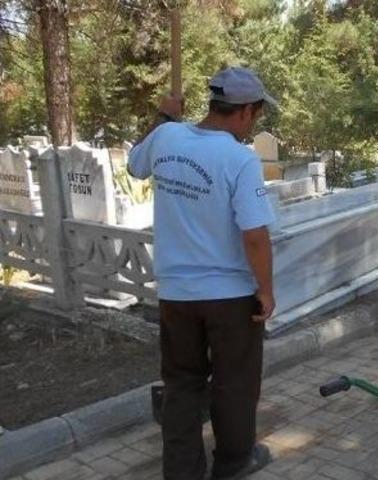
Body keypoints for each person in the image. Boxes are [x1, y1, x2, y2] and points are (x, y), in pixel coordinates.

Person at [128, 66, 278, 480]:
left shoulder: (166, 137)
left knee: (181, 384)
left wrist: (163, 116)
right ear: (245, 111)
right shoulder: (238, 158)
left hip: (177, 294)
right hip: (229, 295)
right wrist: (266, 289)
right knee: (235, 382)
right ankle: (233, 462)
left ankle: (182, 472)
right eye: (257, 115)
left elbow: (134, 167)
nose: (254, 125)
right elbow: (254, 235)